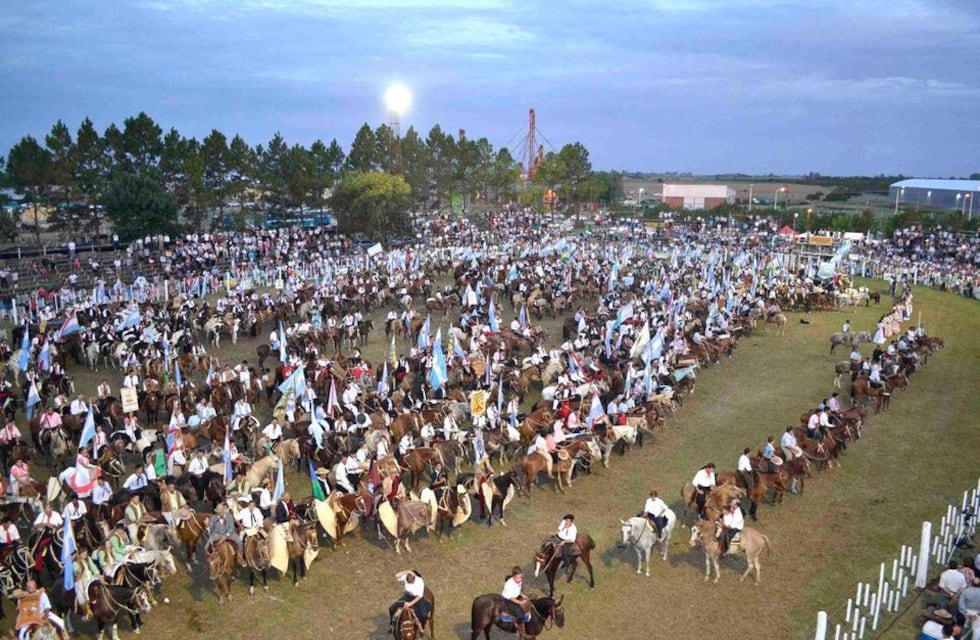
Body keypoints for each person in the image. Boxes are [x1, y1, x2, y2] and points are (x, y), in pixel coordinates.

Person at [501, 566, 530, 638]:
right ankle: (519, 629)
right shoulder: (508, 584)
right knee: (520, 614)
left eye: (520, 577)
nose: (520, 579)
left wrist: (523, 595)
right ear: (513, 576)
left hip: (516, 596)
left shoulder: (519, 581)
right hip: (508, 600)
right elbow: (511, 598)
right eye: (518, 577)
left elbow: (518, 590)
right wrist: (520, 603)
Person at [72, 546, 101, 619]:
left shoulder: (88, 559)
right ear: (79, 554)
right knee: (81, 595)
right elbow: (77, 573)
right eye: (83, 554)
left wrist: (98, 574)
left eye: (86, 553)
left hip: (91, 577)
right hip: (81, 580)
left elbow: (93, 568)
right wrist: (79, 572)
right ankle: (85, 611)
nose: (85, 555)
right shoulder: (75, 563)